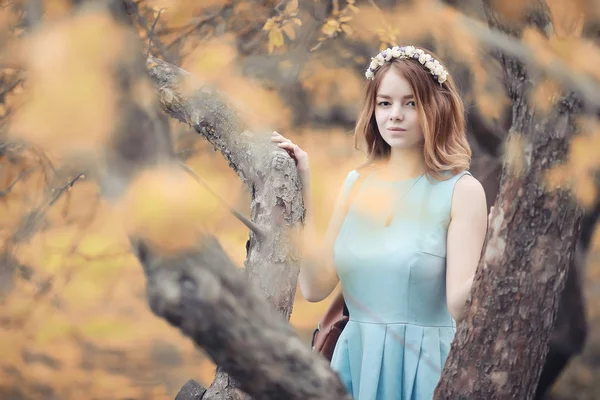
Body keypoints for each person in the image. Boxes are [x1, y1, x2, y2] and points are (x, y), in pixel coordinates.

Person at [271, 45, 488, 399]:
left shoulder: (462, 191)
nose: (395, 115)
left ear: (437, 106)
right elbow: (313, 287)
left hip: (424, 366)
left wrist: (501, 257)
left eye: (411, 103)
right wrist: (302, 183)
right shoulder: (357, 183)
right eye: (384, 103)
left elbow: (459, 305)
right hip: (353, 364)